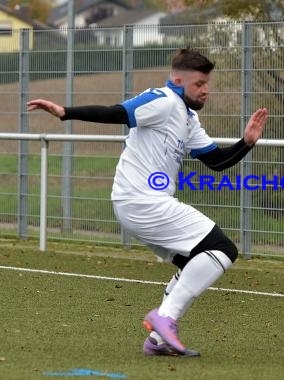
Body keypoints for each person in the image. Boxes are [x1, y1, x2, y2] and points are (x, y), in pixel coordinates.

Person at [27, 48, 269, 357]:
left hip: (142, 203)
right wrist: (66, 112)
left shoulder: (187, 117)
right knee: (223, 249)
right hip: (141, 200)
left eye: (207, 83)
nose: (205, 90)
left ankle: (158, 339)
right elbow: (118, 112)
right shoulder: (162, 100)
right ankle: (165, 318)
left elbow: (216, 162)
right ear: (178, 80)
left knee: (193, 262)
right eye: (199, 84)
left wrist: (246, 143)